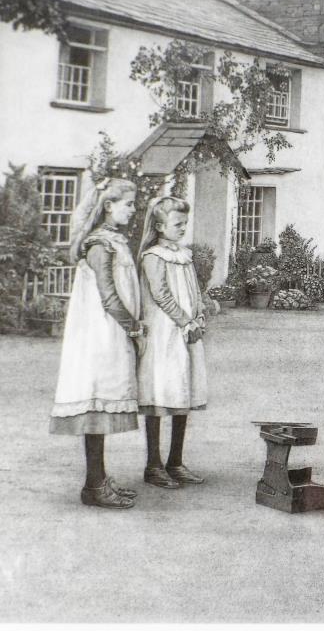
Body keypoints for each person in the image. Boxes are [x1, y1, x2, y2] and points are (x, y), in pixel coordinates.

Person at [50, 177, 145, 509]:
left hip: (109, 335)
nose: (133, 211)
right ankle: (93, 485)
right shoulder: (99, 245)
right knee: (95, 406)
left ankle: (99, 479)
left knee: (101, 408)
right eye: (129, 204)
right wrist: (133, 327)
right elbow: (108, 296)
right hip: (99, 337)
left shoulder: (112, 241)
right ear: (108, 205)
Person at [136, 196, 208, 489]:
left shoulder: (184, 255)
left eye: (184, 223)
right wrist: (184, 321)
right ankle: (153, 465)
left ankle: (175, 462)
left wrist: (199, 316)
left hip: (187, 333)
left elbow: (194, 291)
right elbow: (161, 295)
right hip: (165, 333)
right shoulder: (153, 256)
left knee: (183, 392)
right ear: (159, 225)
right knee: (159, 392)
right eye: (177, 224)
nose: (182, 228)